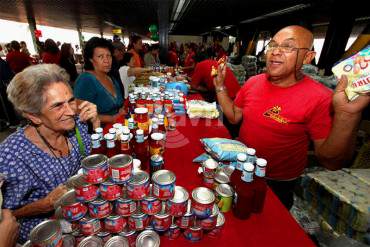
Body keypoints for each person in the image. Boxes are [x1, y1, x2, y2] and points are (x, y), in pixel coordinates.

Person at [213, 25, 370, 209]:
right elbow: (233, 117)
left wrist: (346, 115)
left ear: (307, 57)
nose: (275, 52)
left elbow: (331, 161)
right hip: (240, 168)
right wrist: (219, 86)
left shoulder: (321, 98)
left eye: (288, 47)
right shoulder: (253, 82)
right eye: (272, 45)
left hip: (276, 183)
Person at [0, 64, 100, 243]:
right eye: (58, 106)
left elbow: (92, 162)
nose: (71, 112)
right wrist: (43, 205)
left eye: (70, 100)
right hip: (47, 232)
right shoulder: (11, 156)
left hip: (82, 213)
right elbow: (5, 217)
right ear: (34, 116)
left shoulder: (79, 125)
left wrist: (96, 123)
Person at [74, 37, 125, 124]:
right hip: (98, 132)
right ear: (91, 59)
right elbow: (79, 112)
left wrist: (121, 110)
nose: (106, 61)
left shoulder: (110, 77)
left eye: (108, 56)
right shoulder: (86, 79)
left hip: (118, 128)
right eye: (100, 56)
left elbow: (119, 104)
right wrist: (111, 118)